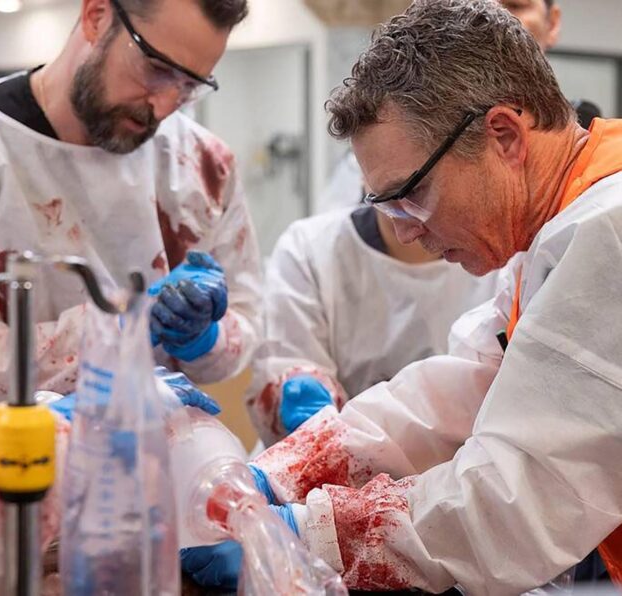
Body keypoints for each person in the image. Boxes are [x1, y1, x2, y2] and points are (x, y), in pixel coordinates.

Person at [183, 0, 622, 592]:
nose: (407, 232)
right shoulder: (559, 224)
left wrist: (311, 533)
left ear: (504, 136)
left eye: (411, 195)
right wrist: (289, 470)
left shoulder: (605, 229)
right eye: (387, 208)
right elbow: (464, 386)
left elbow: (517, 496)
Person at [0, 0, 261, 435]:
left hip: (157, 458)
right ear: (96, 16)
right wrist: (116, 331)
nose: (163, 106)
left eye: (189, 85)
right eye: (157, 68)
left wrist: (204, 337)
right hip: (1, 463)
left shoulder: (203, 165)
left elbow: (246, 325)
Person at [246, 204, 500, 446]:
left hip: (461, 465)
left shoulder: (500, 256)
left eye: (420, 185)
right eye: (388, 190)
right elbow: (288, 363)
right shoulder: (310, 249)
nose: (405, 207)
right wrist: (303, 388)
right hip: (337, 459)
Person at [319, 0, 600, 214]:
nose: (492, 17)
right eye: (476, 4)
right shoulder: (387, 154)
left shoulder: (595, 157)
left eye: (515, 5)